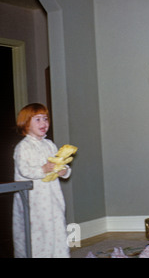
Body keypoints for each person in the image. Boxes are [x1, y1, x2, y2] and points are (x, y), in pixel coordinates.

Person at [12, 103, 71, 258]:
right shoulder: (23, 147)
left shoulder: (49, 144)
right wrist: (43, 169)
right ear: (26, 123)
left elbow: (60, 163)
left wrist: (64, 171)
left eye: (45, 119)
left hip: (52, 198)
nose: (43, 123)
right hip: (34, 200)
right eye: (37, 119)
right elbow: (24, 170)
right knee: (38, 233)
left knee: (57, 228)